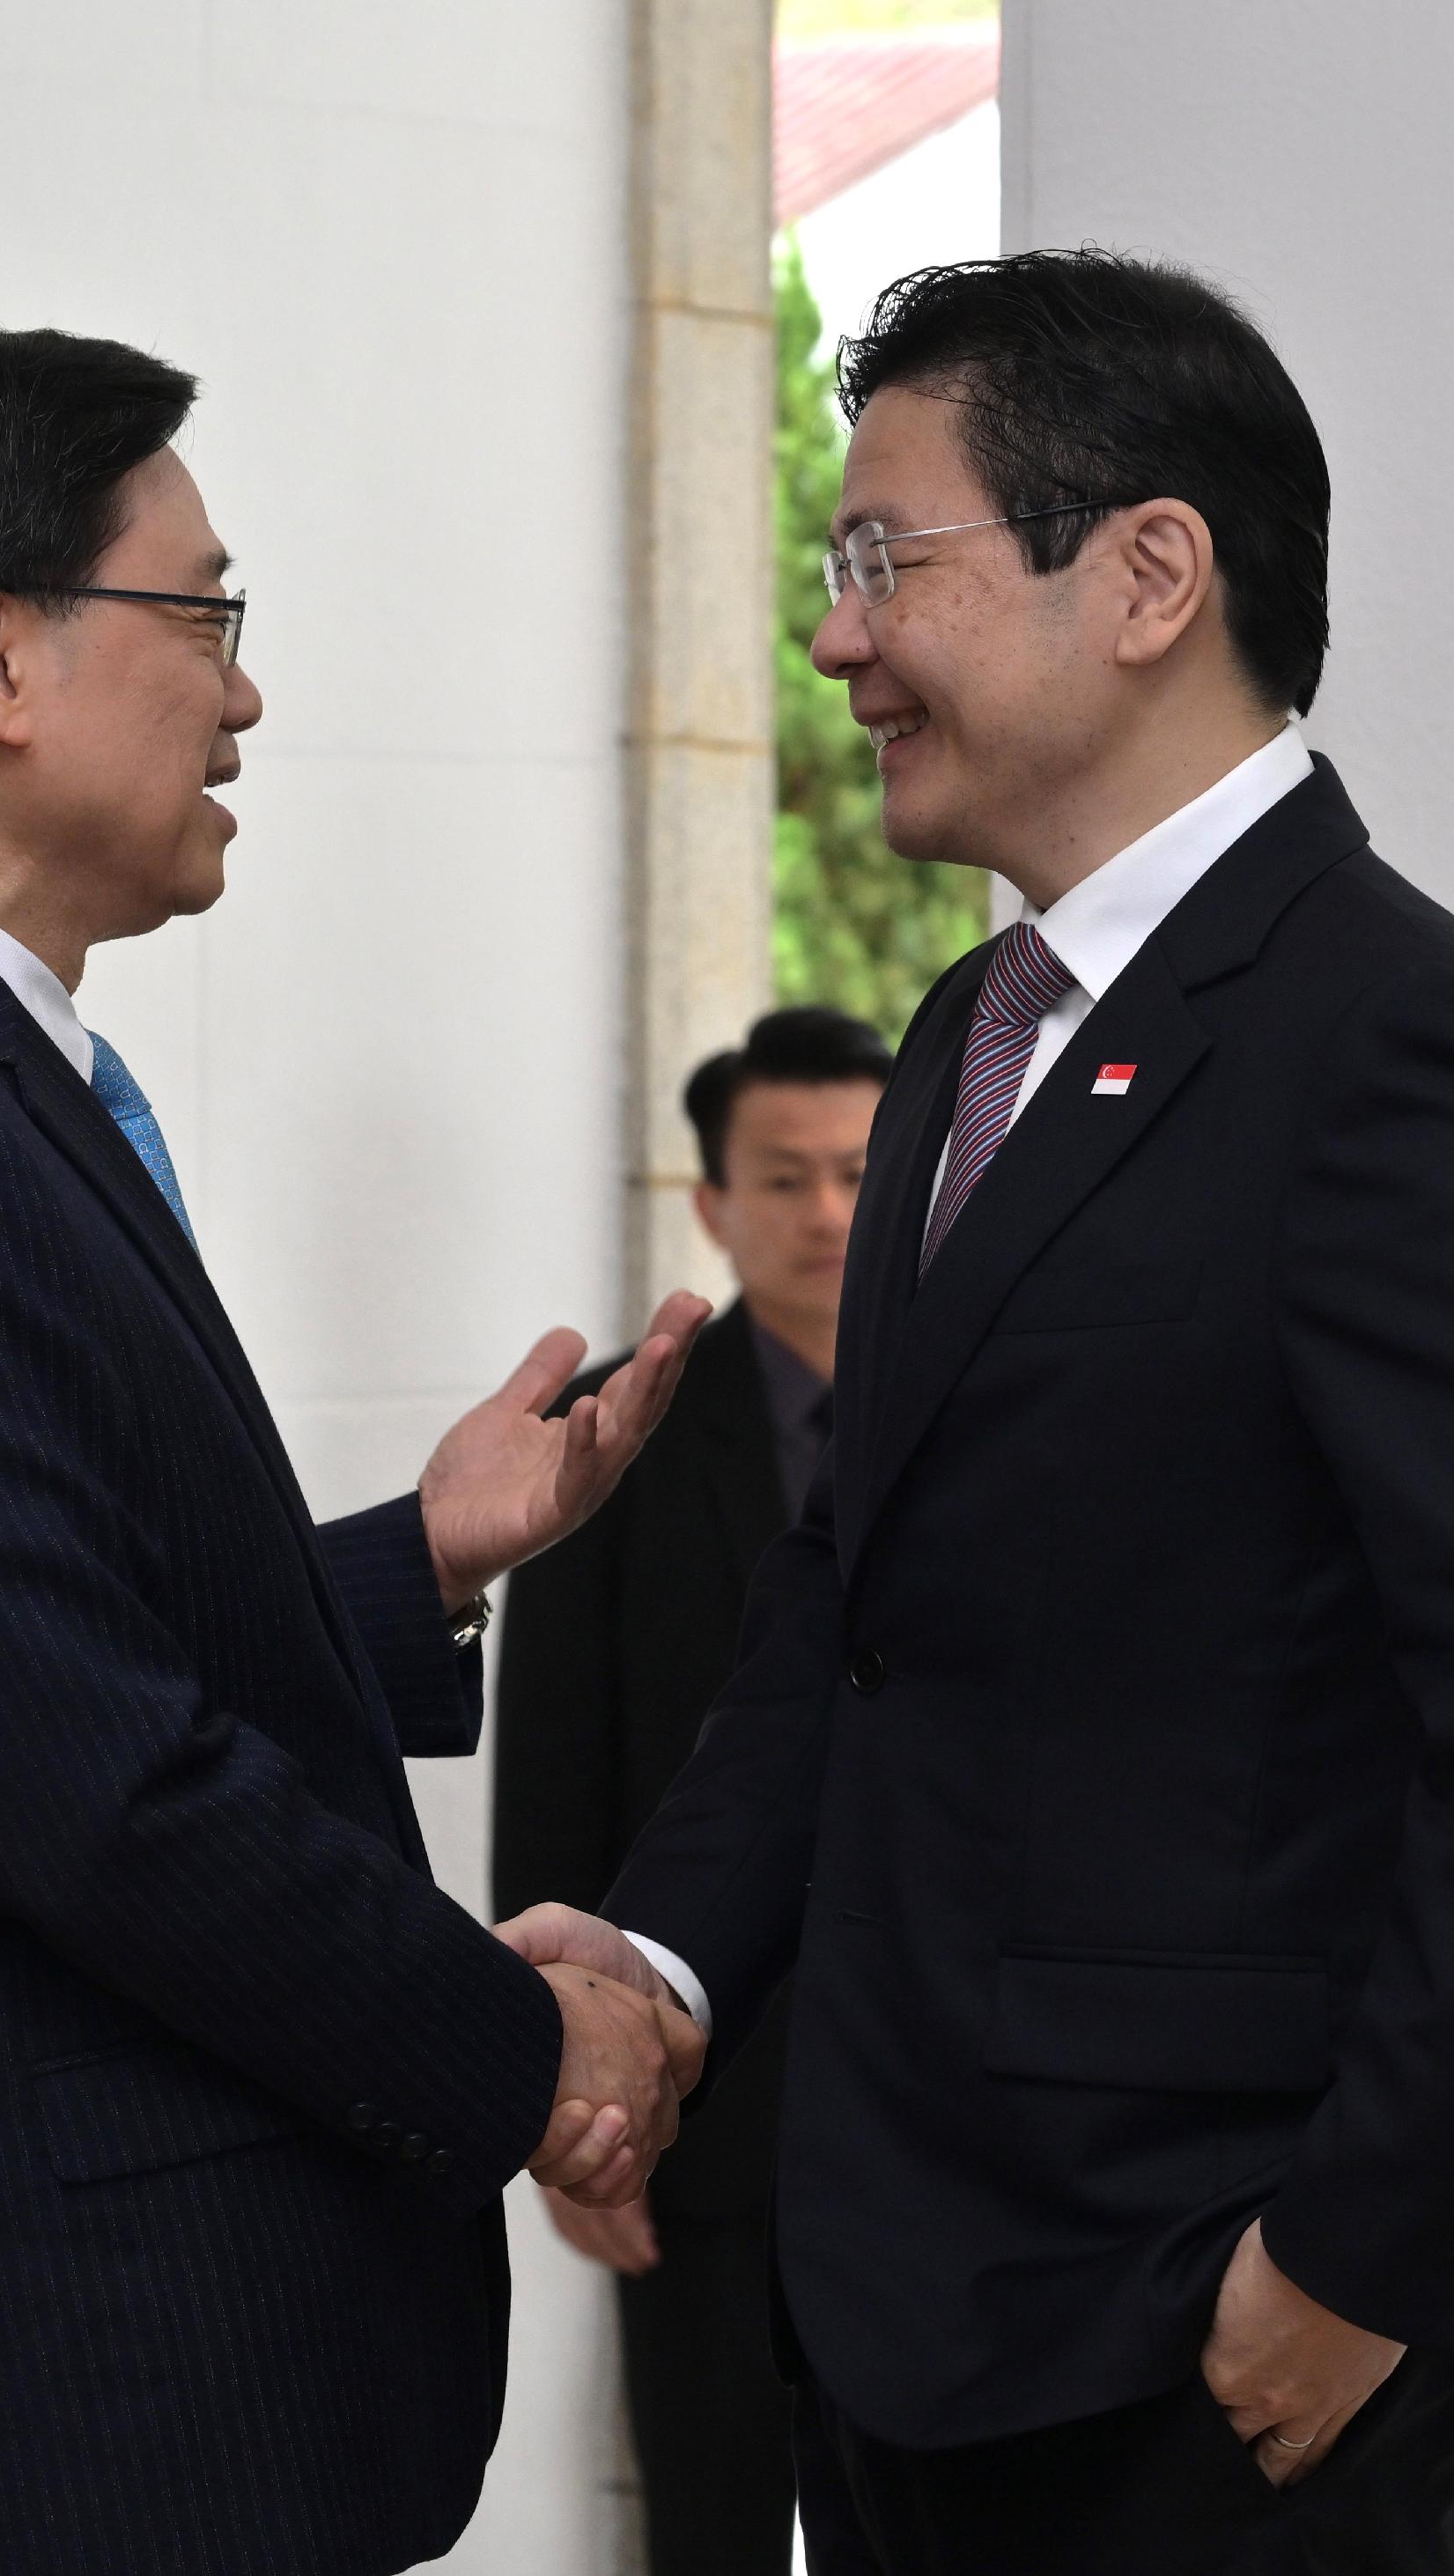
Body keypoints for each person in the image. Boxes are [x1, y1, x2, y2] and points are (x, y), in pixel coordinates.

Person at [503, 250, 1454, 2574]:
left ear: (1151, 571)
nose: (838, 637)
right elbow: (856, 1600)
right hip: (903, 2308)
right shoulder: (972, 1023)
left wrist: (1370, 2247)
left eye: (890, 560)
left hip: (1195, 2339)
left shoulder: (1379, 1034)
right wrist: (657, 1971)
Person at [0, 321, 711, 2576]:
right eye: (200, 611)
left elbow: (7, 1658)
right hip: (69, 2414)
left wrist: (414, 1555)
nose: (238, 691)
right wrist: (522, 2047)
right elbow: (85, 1795)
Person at [492, 1006, 894, 2576]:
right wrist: (556, 2089)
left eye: (865, 1172)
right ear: (715, 1201)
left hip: (933, 2103)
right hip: (696, 2122)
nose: (828, 1214)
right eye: (784, 1178)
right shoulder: (623, 1420)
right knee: (716, 2524)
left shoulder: (985, 1407)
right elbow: (550, 1775)